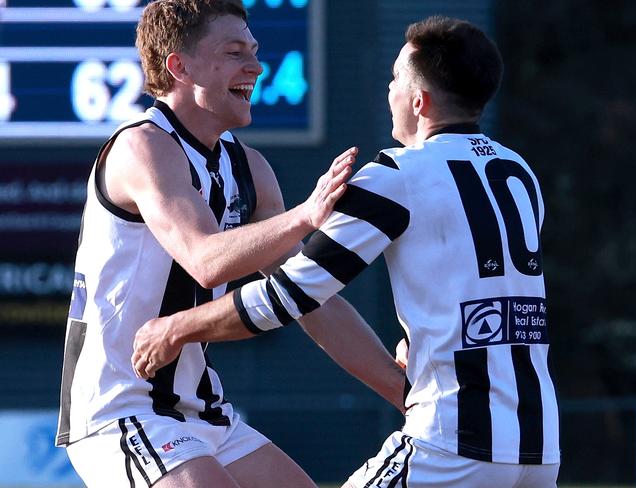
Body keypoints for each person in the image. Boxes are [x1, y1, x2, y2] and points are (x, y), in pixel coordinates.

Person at [132, 14, 562, 488]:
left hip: (451, 444)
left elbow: (289, 296)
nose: (389, 90)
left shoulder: (395, 176)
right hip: (538, 448)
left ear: (419, 101)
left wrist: (176, 328)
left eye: (395, 78)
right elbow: (491, 303)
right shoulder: (518, 173)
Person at [56, 1, 406, 487]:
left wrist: (401, 389)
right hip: (121, 410)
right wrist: (305, 215)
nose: (256, 66)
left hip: (205, 413)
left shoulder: (250, 169)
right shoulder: (143, 147)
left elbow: (309, 297)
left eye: (255, 51)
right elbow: (205, 260)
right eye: (234, 52)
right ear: (178, 65)